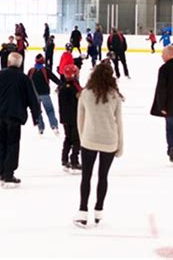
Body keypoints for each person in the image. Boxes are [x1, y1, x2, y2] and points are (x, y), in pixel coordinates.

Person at [73, 63, 124, 228]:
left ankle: (82, 212)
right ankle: (98, 211)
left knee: (86, 177)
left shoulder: (85, 94)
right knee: (103, 177)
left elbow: (80, 120)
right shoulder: (115, 96)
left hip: (89, 139)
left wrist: (83, 139)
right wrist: (120, 146)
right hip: (109, 140)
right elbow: (119, 123)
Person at [0, 52, 41, 188]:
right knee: (12, 144)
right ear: (20, 64)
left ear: (9, 62)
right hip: (14, 116)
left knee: (1, 144)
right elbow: (33, 99)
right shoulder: (24, 78)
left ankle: (1, 172)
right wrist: (36, 116)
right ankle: (8, 174)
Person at [28, 54, 62, 135]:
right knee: (50, 110)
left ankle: (40, 128)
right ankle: (54, 126)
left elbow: (26, 81)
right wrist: (61, 84)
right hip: (45, 94)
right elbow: (55, 79)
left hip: (34, 95)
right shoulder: (45, 70)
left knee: (38, 111)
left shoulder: (31, 71)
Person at [58, 64, 83, 173]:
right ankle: (74, 161)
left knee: (68, 138)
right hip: (74, 117)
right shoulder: (74, 87)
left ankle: (64, 159)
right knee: (76, 139)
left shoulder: (62, 86)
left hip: (65, 118)